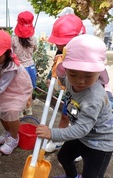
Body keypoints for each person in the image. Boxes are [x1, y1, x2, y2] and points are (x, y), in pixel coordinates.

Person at [36, 34, 113, 178]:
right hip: (83, 135)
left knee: (92, 175)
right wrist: (59, 63)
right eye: (73, 74)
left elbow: (81, 129)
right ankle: (72, 176)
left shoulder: (94, 98)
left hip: (100, 143)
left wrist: (52, 133)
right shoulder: (69, 79)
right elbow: (63, 77)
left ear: (99, 72)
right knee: (64, 157)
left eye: (88, 76)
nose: (80, 81)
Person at [45, 14, 86, 154]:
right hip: (70, 94)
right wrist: (52, 76)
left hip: (84, 98)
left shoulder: (85, 56)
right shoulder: (62, 51)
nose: (59, 45)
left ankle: (80, 149)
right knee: (65, 115)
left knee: (80, 123)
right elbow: (58, 68)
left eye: (62, 43)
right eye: (58, 43)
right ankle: (58, 141)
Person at [11, 11, 38, 117]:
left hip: (18, 67)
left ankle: (20, 111)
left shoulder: (13, 39)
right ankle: (29, 108)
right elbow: (34, 50)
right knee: (29, 89)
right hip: (30, 67)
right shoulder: (33, 39)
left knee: (18, 90)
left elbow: (10, 53)